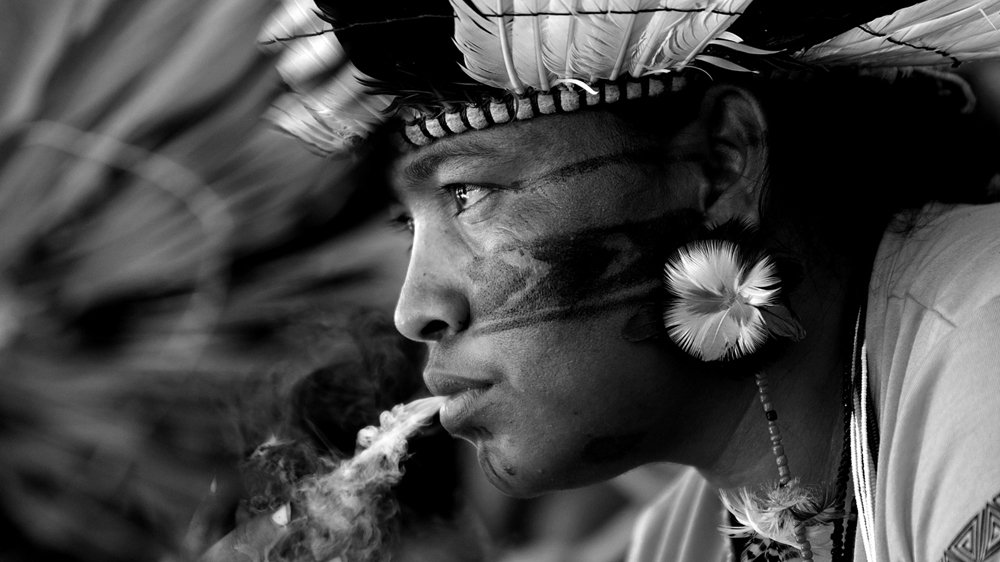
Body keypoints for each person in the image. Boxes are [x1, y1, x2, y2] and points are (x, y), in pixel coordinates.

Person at [256, 1, 1000, 561]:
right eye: (406, 226)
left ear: (721, 162)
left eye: (466, 194)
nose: (415, 310)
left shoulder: (986, 342)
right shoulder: (683, 538)